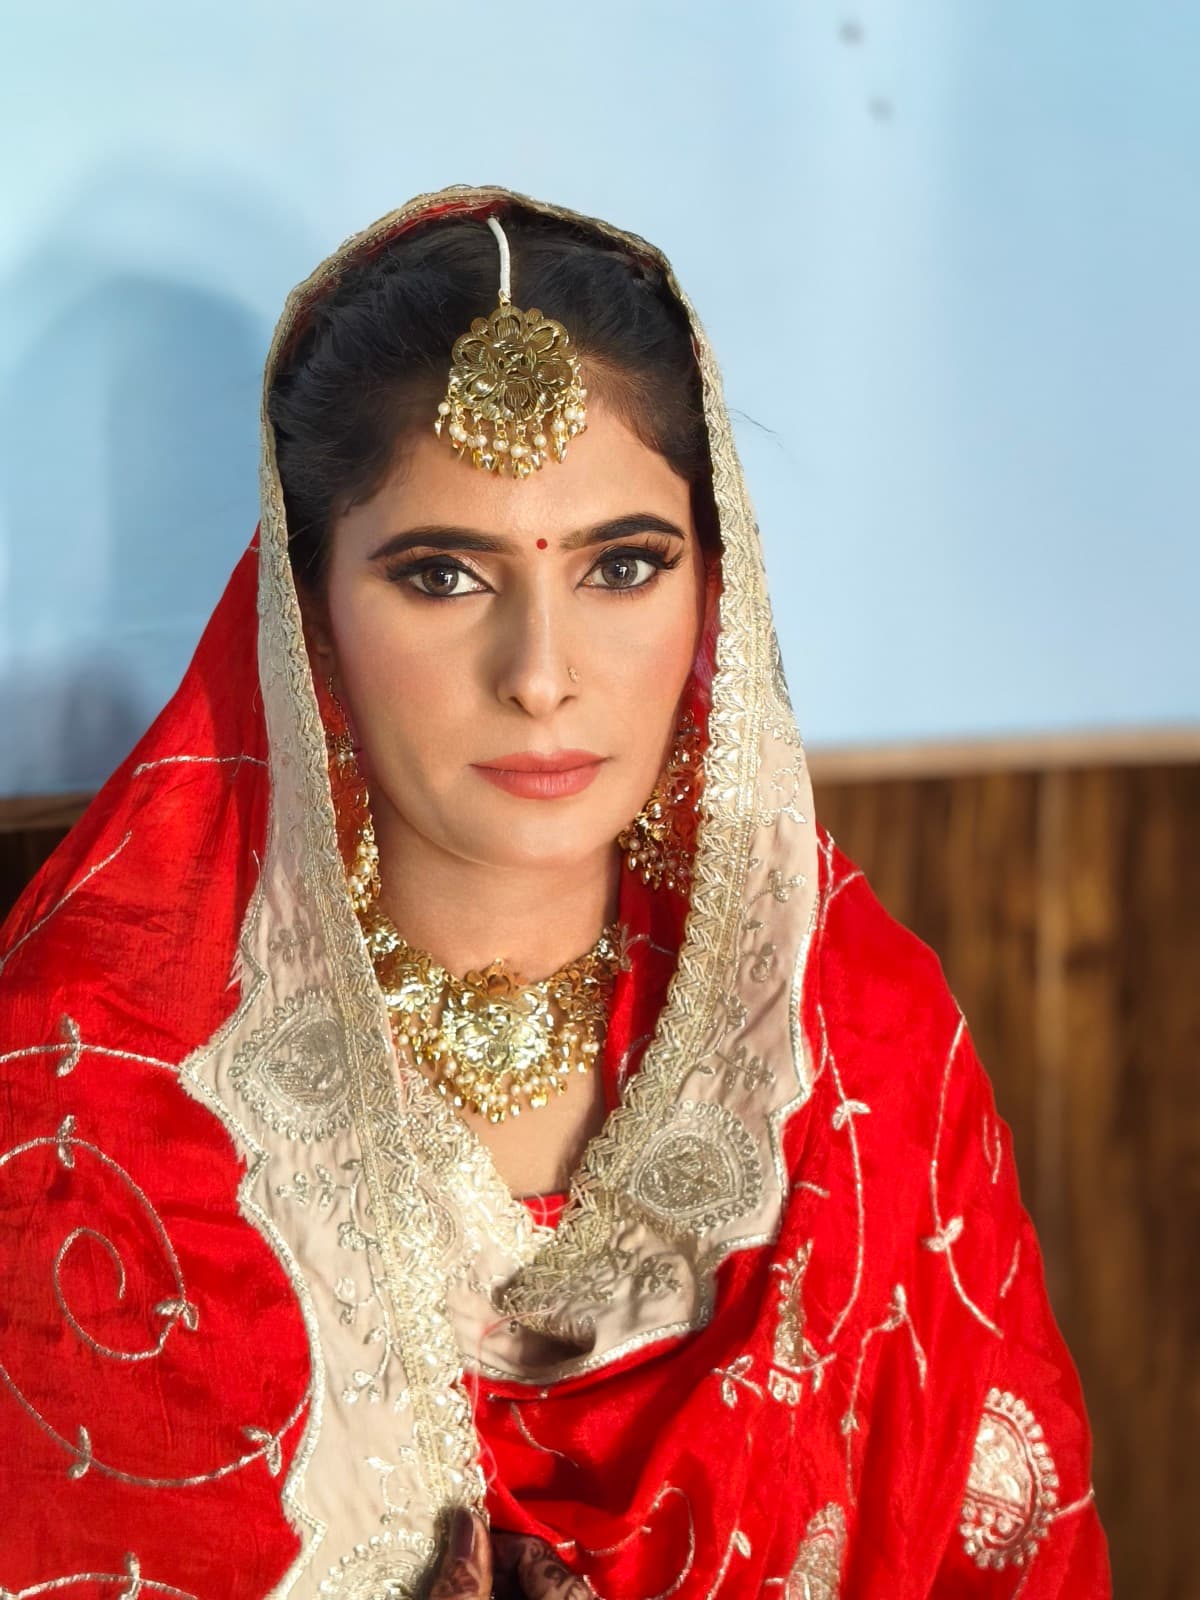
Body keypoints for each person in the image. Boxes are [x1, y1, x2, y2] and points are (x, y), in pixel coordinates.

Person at [0, 186, 1110, 1598]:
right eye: (443, 575)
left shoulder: (854, 1044)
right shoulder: (92, 1101)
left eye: (622, 566)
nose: (540, 674)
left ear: (715, 588)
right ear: (306, 606)